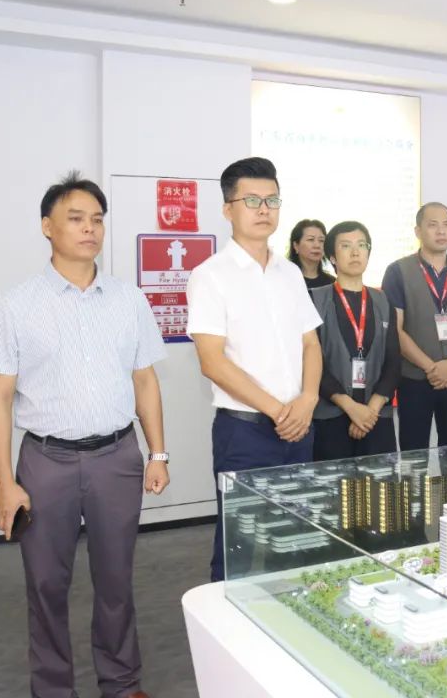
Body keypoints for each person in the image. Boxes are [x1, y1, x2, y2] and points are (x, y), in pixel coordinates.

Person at [0, 171, 168, 698]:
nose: (89, 229)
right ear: (47, 227)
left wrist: (158, 453)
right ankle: (54, 689)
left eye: (97, 220)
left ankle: (122, 683)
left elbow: (145, 380)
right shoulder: (14, 305)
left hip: (117, 458)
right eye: (76, 218)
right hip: (45, 463)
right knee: (45, 584)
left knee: (116, 580)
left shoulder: (128, 300)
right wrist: (3, 484)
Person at [186, 157, 322, 582]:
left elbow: (310, 343)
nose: (264, 209)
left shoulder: (290, 273)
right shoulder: (210, 276)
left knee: (296, 539)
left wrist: (308, 399)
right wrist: (279, 411)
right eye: (252, 200)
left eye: (272, 200)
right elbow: (212, 361)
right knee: (239, 546)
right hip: (245, 432)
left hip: (298, 428)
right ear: (228, 209)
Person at [381, 202, 447, 450]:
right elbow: (395, 331)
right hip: (414, 380)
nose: (441, 231)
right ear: (418, 231)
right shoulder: (398, 271)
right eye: (433, 225)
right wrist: (432, 368)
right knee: (414, 457)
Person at [312, 221, 401, 459]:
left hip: (376, 417)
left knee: (380, 482)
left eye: (362, 245)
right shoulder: (315, 301)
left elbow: (393, 362)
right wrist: (351, 408)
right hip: (331, 417)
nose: (355, 252)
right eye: (345, 246)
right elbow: (312, 364)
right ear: (332, 256)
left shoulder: (383, 301)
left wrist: (369, 412)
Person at [287, 218, 335, 290]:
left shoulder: (332, 283)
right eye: (310, 239)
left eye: (321, 240)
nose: (317, 245)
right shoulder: (285, 279)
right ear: (296, 246)